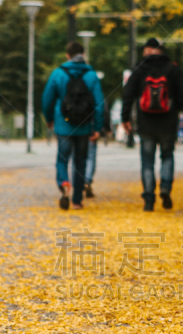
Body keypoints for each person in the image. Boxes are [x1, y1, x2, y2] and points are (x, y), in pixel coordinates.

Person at [122, 38, 183, 212]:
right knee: (167, 156)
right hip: (168, 122)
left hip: (146, 124)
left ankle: (149, 199)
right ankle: (165, 188)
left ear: (148, 50)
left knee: (147, 162)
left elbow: (127, 93)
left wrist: (125, 117)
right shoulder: (172, 68)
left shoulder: (140, 69)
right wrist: (175, 109)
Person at [41, 41, 105, 210]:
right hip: (84, 127)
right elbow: (99, 103)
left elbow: (46, 99)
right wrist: (97, 127)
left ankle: (63, 183)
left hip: (64, 126)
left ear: (67, 56)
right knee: (80, 162)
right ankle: (77, 200)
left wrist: (49, 119)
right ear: (83, 55)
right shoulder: (91, 75)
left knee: (62, 159)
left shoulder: (58, 74)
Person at [81, 98, 111, 198]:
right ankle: (87, 180)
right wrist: (105, 128)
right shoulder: (94, 86)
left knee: (77, 156)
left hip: (75, 127)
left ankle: (79, 182)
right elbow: (103, 109)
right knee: (90, 156)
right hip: (91, 127)